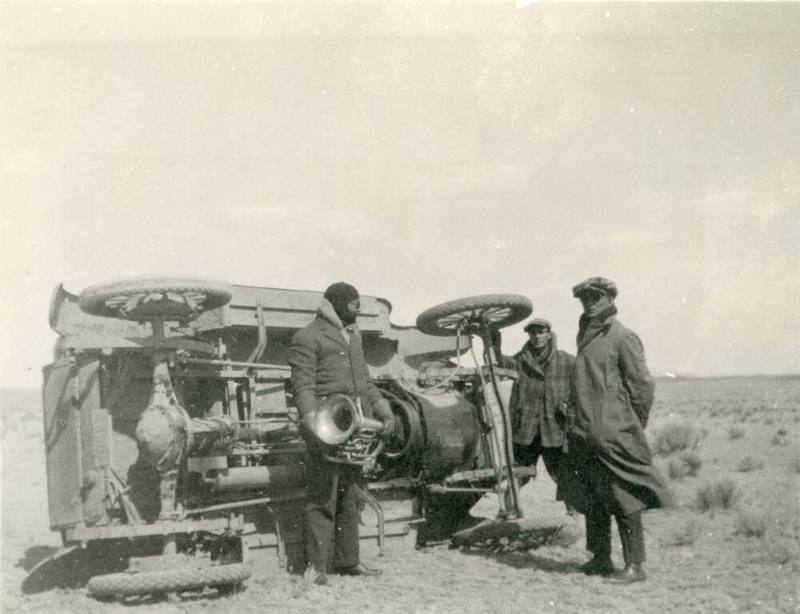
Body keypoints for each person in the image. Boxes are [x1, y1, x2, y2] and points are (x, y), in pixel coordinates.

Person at [558, 276, 670, 584]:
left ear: (610, 299)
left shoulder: (623, 337)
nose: (589, 302)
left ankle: (635, 565)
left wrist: (629, 425)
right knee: (593, 496)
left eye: (596, 296)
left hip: (613, 436)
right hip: (585, 436)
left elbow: (642, 387)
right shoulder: (586, 336)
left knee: (623, 498)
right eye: (585, 298)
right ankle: (601, 557)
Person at [288, 281, 395, 585]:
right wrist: (315, 424)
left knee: (350, 497)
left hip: (355, 429)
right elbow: (303, 386)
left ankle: (348, 562)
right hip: (327, 429)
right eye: (352, 308)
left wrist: (383, 410)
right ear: (335, 306)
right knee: (322, 498)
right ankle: (317, 568)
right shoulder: (307, 337)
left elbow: (366, 383)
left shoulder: (353, 338)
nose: (356, 315)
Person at [502, 318, 575, 492]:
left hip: (555, 430)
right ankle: (508, 511)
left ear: (549, 334)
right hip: (526, 431)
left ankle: (575, 515)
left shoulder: (566, 360)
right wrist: (493, 340)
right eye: (533, 333)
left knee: (564, 476)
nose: (537, 336)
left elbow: (583, 385)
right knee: (519, 475)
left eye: (541, 332)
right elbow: (498, 361)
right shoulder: (520, 360)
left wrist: (568, 408)